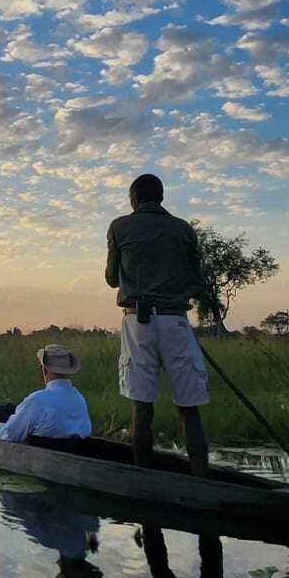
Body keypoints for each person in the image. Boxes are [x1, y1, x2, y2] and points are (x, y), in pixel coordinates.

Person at [106, 173, 213, 476]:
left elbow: (112, 278)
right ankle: (202, 480)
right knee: (189, 408)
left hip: (138, 323)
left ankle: (144, 481)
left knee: (142, 405)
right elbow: (196, 280)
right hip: (177, 322)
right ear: (162, 198)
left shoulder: (120, 227)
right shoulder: (184, 230)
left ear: (134, 199)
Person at [0, 344, 93, 444]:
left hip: (38, 457)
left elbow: (9, 436)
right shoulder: (79, 399)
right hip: (74, 455)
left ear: (44, 370)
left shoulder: (37, 401)